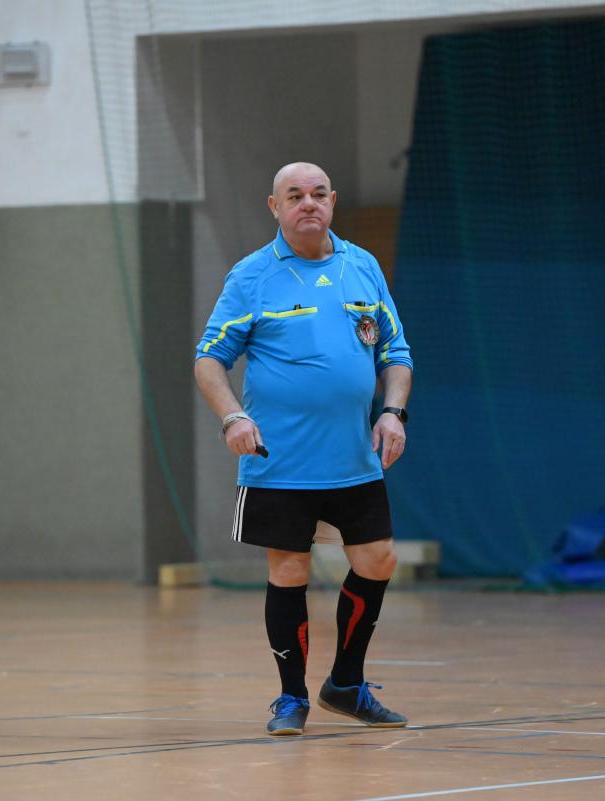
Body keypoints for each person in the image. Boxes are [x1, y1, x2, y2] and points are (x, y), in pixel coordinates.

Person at [194, 162, 413, 736]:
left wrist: (392, 413)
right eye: (295, 196)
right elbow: (210, 359)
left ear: (332, 200)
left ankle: (345, 683)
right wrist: (233, 417)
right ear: (275, 206)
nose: (308, 204)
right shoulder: (252, 276)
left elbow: (395, 354)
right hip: (280, 461)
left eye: (318, 194)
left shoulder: (362, 266)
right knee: (290, 570)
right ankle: (291, 698)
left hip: (354, 458)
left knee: (378, 560)